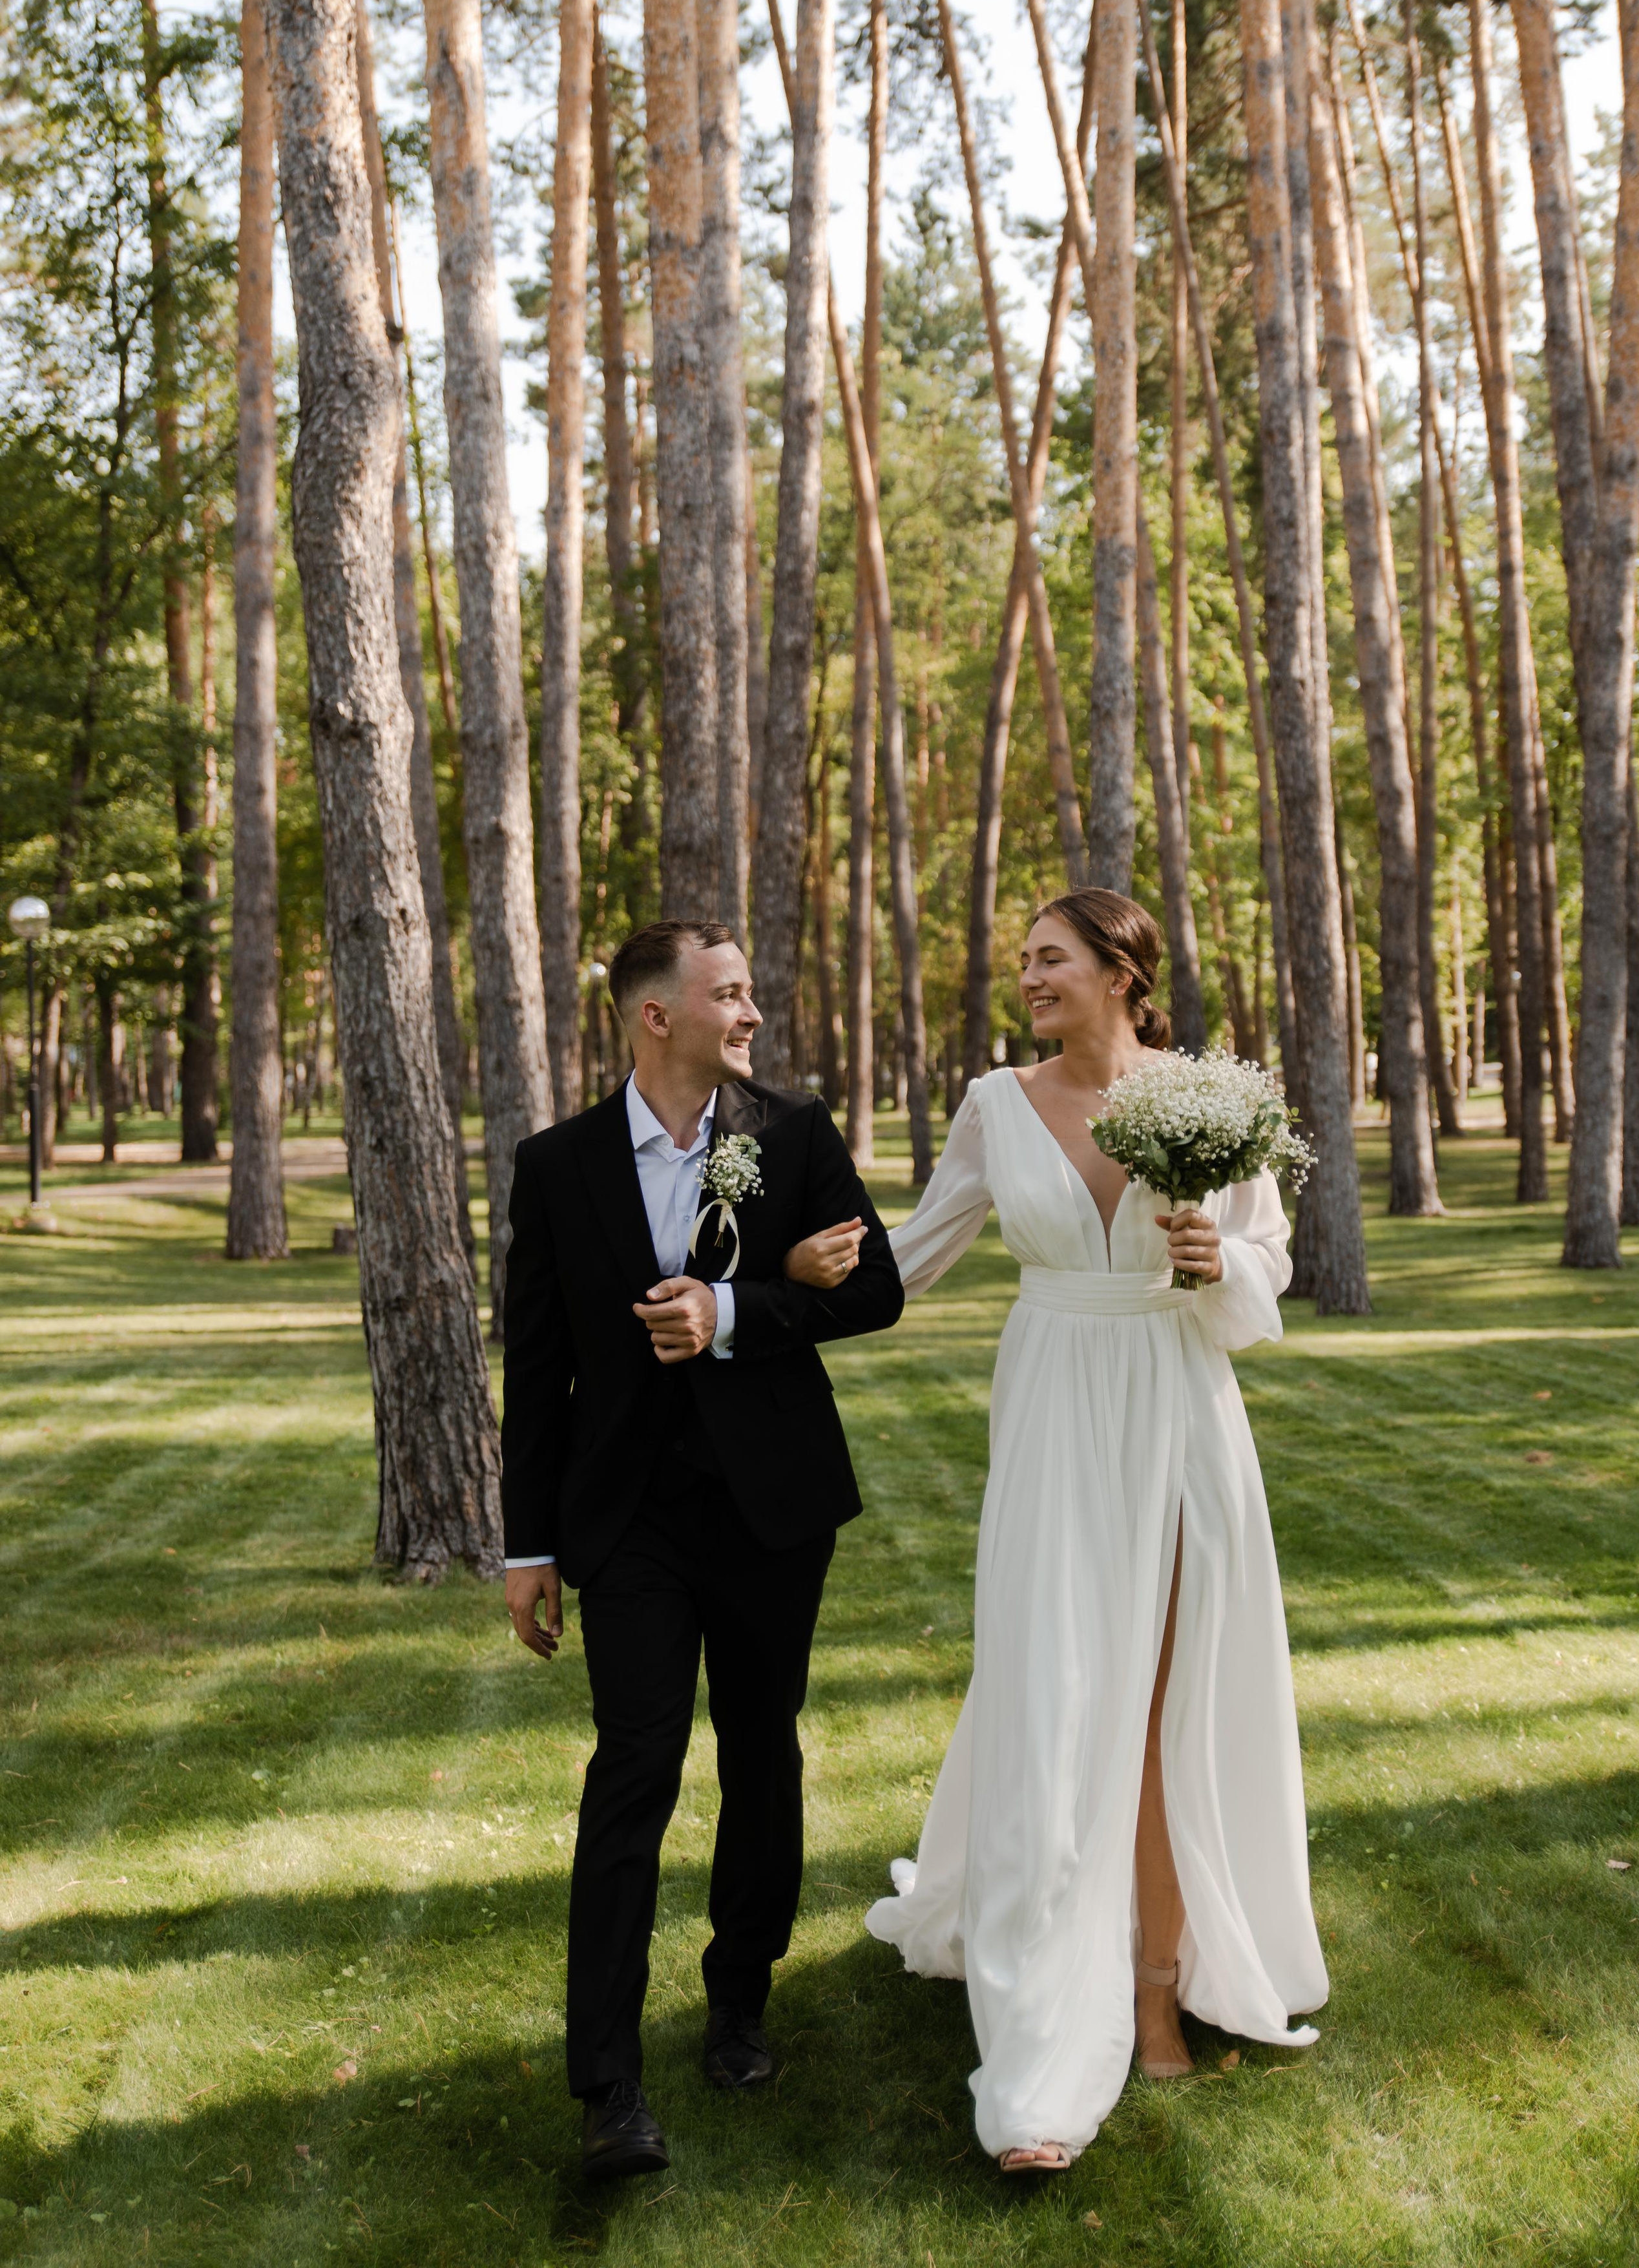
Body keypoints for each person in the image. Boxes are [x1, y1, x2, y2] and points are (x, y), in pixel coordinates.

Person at [811, 888, 1325, 2169]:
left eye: (1049, 959)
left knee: (1159, 1706)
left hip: (1175, 1410)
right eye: (1023, 960)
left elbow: (1269, 1264)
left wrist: (1220, 1263)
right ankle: (1043, 2028)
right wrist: (780, 1283)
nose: (1027, 976)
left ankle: (1154, 1991)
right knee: (1054, 1696)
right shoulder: (996, 1104)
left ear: (1119, 973)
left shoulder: (1210, 1104)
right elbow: (912, 1254)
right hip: (1052, 1411)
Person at [501, 919, 903, 2183]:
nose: (752, 1016)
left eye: (749, 993)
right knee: (633, 1768)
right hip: (623, 1519)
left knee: (760, 1755)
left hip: (770, 1509)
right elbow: (536, 1369)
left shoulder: (791, 1136)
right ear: (652, 1016)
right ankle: (606, 2085)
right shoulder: (555, 1165)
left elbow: (874, 1289)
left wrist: (736, 1307)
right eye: (729, 995)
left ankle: (738, 2003)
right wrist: (525, 1546)